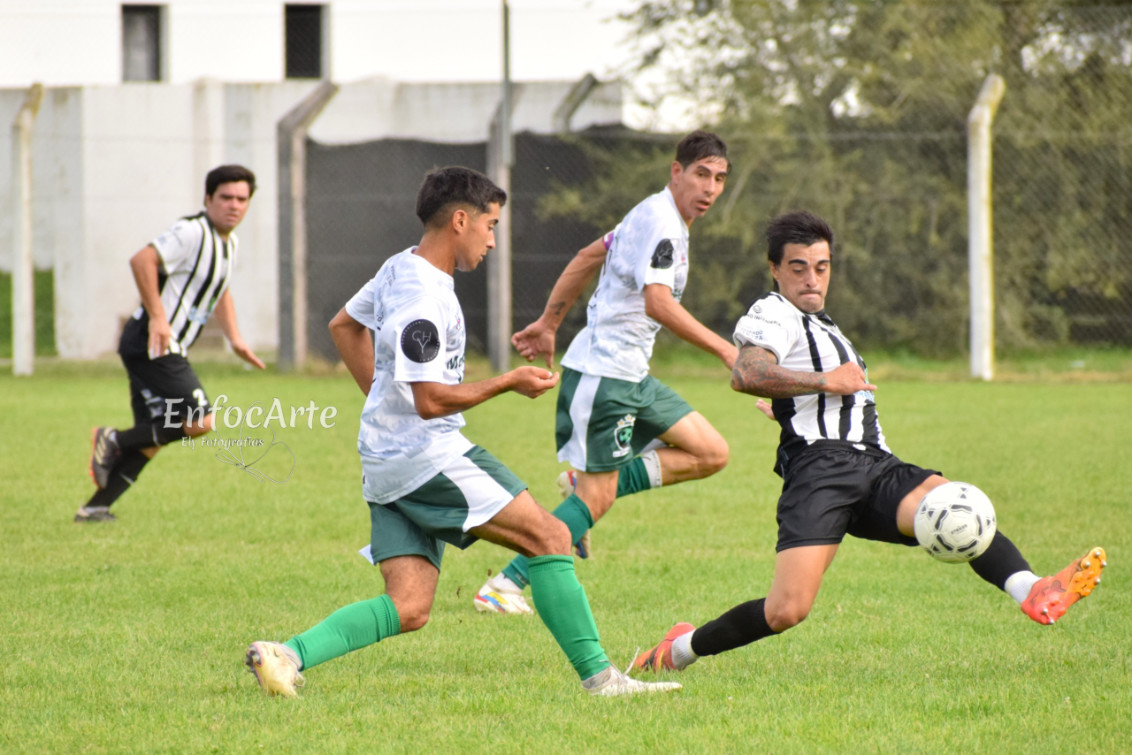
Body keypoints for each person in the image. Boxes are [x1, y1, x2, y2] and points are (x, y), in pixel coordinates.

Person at [244, 166, 681, 698]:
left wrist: (385, 405)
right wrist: (508, 382)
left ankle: (286, 654)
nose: (493, 240)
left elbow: (344, 326)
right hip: (427, 455)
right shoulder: (425, 300)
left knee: (409, 607)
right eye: (490, 225)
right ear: (459, 220)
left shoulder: (398, 268)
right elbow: (428, 402)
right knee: (550, 536)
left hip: (386, 461)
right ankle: (603, 680)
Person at [628, 209, 1107, 674]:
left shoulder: (825, 326)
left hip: (876, 464)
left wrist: (791, 408)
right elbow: (747, 371)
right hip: (822, 475)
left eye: (821, 267)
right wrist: (824, 382)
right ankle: (679, 649)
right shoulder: (773, 311)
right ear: (775, 269)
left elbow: (790, 384)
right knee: (785, 611)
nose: (811, 279)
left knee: (953, 504)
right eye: (798, 268)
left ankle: (1033, 589)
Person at [474, 130, 738, 614]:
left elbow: (588, 257)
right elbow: (658, 304)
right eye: (701, 174)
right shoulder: (660, 222)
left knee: (710, 452)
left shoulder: (653, 216)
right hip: (604, 377)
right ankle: (504, 585)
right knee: (599, 499)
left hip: (630, 375)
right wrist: (726, 350)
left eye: (719, 178)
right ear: (676, 172)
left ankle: (586, 488)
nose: (710, 188)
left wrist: (549, 324)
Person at [76, 164, 265, 523]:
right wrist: (159, 317)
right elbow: (142, 259)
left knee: (152, 437)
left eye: (242, 199)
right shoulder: (192, 231)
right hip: (154, 343)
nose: (234, 205)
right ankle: (111, 439)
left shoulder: (229, 243)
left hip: (156, 346)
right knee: (201, 421)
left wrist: (235, 338)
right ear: (208, 199)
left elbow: (218, 288)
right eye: (226, 197)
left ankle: (94, 508)